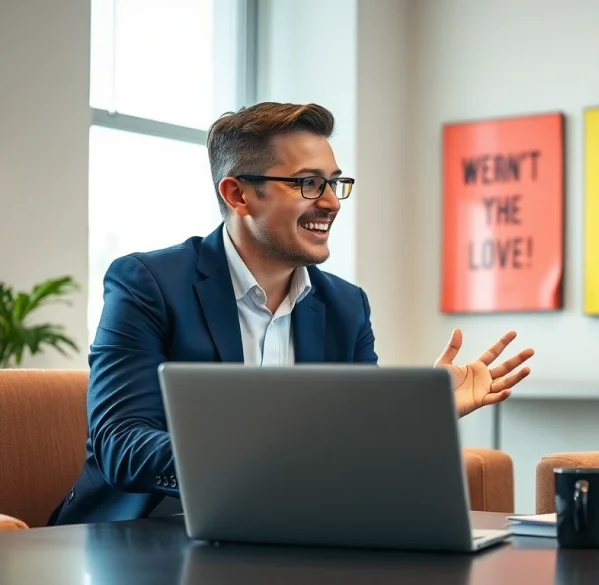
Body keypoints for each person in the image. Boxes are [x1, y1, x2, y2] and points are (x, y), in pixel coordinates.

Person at [49, 102, 534, 525]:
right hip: (145, 534)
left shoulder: (346, 306)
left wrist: (414, 416)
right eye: (307, 183)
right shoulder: (148, 284)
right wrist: (267, 465)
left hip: (287, 534)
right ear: (238, 194)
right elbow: (121, 444)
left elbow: (357, 446)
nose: (330, 202)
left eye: (334, 183)